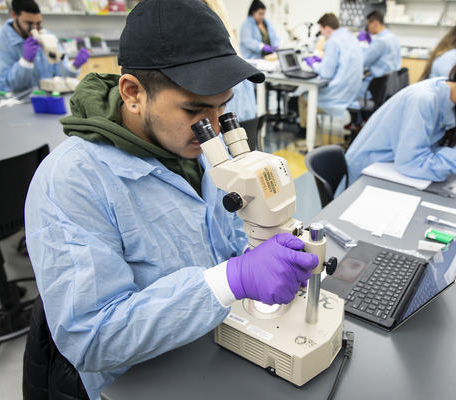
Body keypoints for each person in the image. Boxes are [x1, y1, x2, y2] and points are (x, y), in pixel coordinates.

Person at [22, 1, 319, 399]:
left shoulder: (200, 150)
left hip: (209, 346)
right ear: (133, 93)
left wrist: (274, 247)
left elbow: (234, 239)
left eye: (223, 108)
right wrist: (232, 278)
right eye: (195, 110)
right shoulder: (72, 181)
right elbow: (91, 338)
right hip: (136, 382)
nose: (214, 128)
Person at [344, 54, 456, 185]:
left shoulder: (453, 95)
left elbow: (440, 143)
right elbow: (411, 163)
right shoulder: (424, 99)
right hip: (367, 173)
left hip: (390, 169)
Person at [0, 0, 89, 92]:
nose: (34, 28)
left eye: (38, 23)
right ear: (14, 15)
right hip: (17, 103)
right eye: (29, 24)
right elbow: (4, 86)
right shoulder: (2, 40)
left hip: (47, 98)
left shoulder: (47, 35)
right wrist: (25, 62)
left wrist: (74, 66)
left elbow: (60, 76)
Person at [299, 13, 363, 129]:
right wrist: (323, 61)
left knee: (304, 97)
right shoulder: (349, 36)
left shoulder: (333, 41)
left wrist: (313, 64)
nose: (322, 34)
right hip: (353, 90)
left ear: (327, 28)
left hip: (339, 93)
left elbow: (326, 73)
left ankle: (310, 139)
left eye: (321, 30)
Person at [356, 10, 402, 101]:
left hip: (375, 88)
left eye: (368, 25)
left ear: (375, 23)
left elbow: (363, 61)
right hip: (390, 86)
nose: (367, 28)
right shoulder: (393, 38)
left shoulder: (380, 41)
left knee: (348, 91)